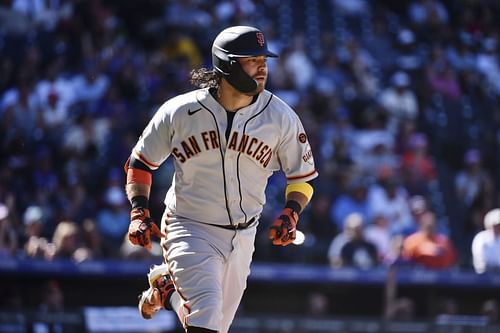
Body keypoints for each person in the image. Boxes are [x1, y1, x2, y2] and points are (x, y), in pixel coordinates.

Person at [124, 25, 318, 333]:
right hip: (189, 226)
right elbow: (141, 163)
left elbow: (302, 177)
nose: (263, 66)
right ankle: (171, 290)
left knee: (213, 325)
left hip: (244, 234)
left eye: (264, 59)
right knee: (206, 319)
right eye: (252, 60)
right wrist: (138, 211)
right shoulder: (179, 111)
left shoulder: (280, 116)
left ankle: (167, 291)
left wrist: (292, 212)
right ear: (227, 64)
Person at [471, 208, 500, 274]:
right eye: (496, 225)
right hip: (484, 276)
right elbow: (480, 262)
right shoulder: (481, 238)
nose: (498, 227)